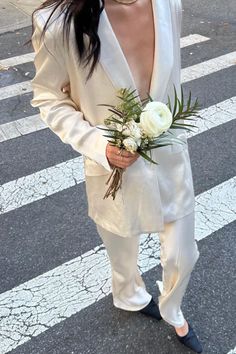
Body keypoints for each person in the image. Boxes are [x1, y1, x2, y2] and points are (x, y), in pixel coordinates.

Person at [30, 0, 203, 352]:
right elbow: (48, 97)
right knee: (121, 250)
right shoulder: (58, 23)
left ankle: (173, 310)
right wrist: (98, 144)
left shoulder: (169, 4)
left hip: (169, 155)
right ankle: (130, 295)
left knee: (183, 254)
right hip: (113, 164)